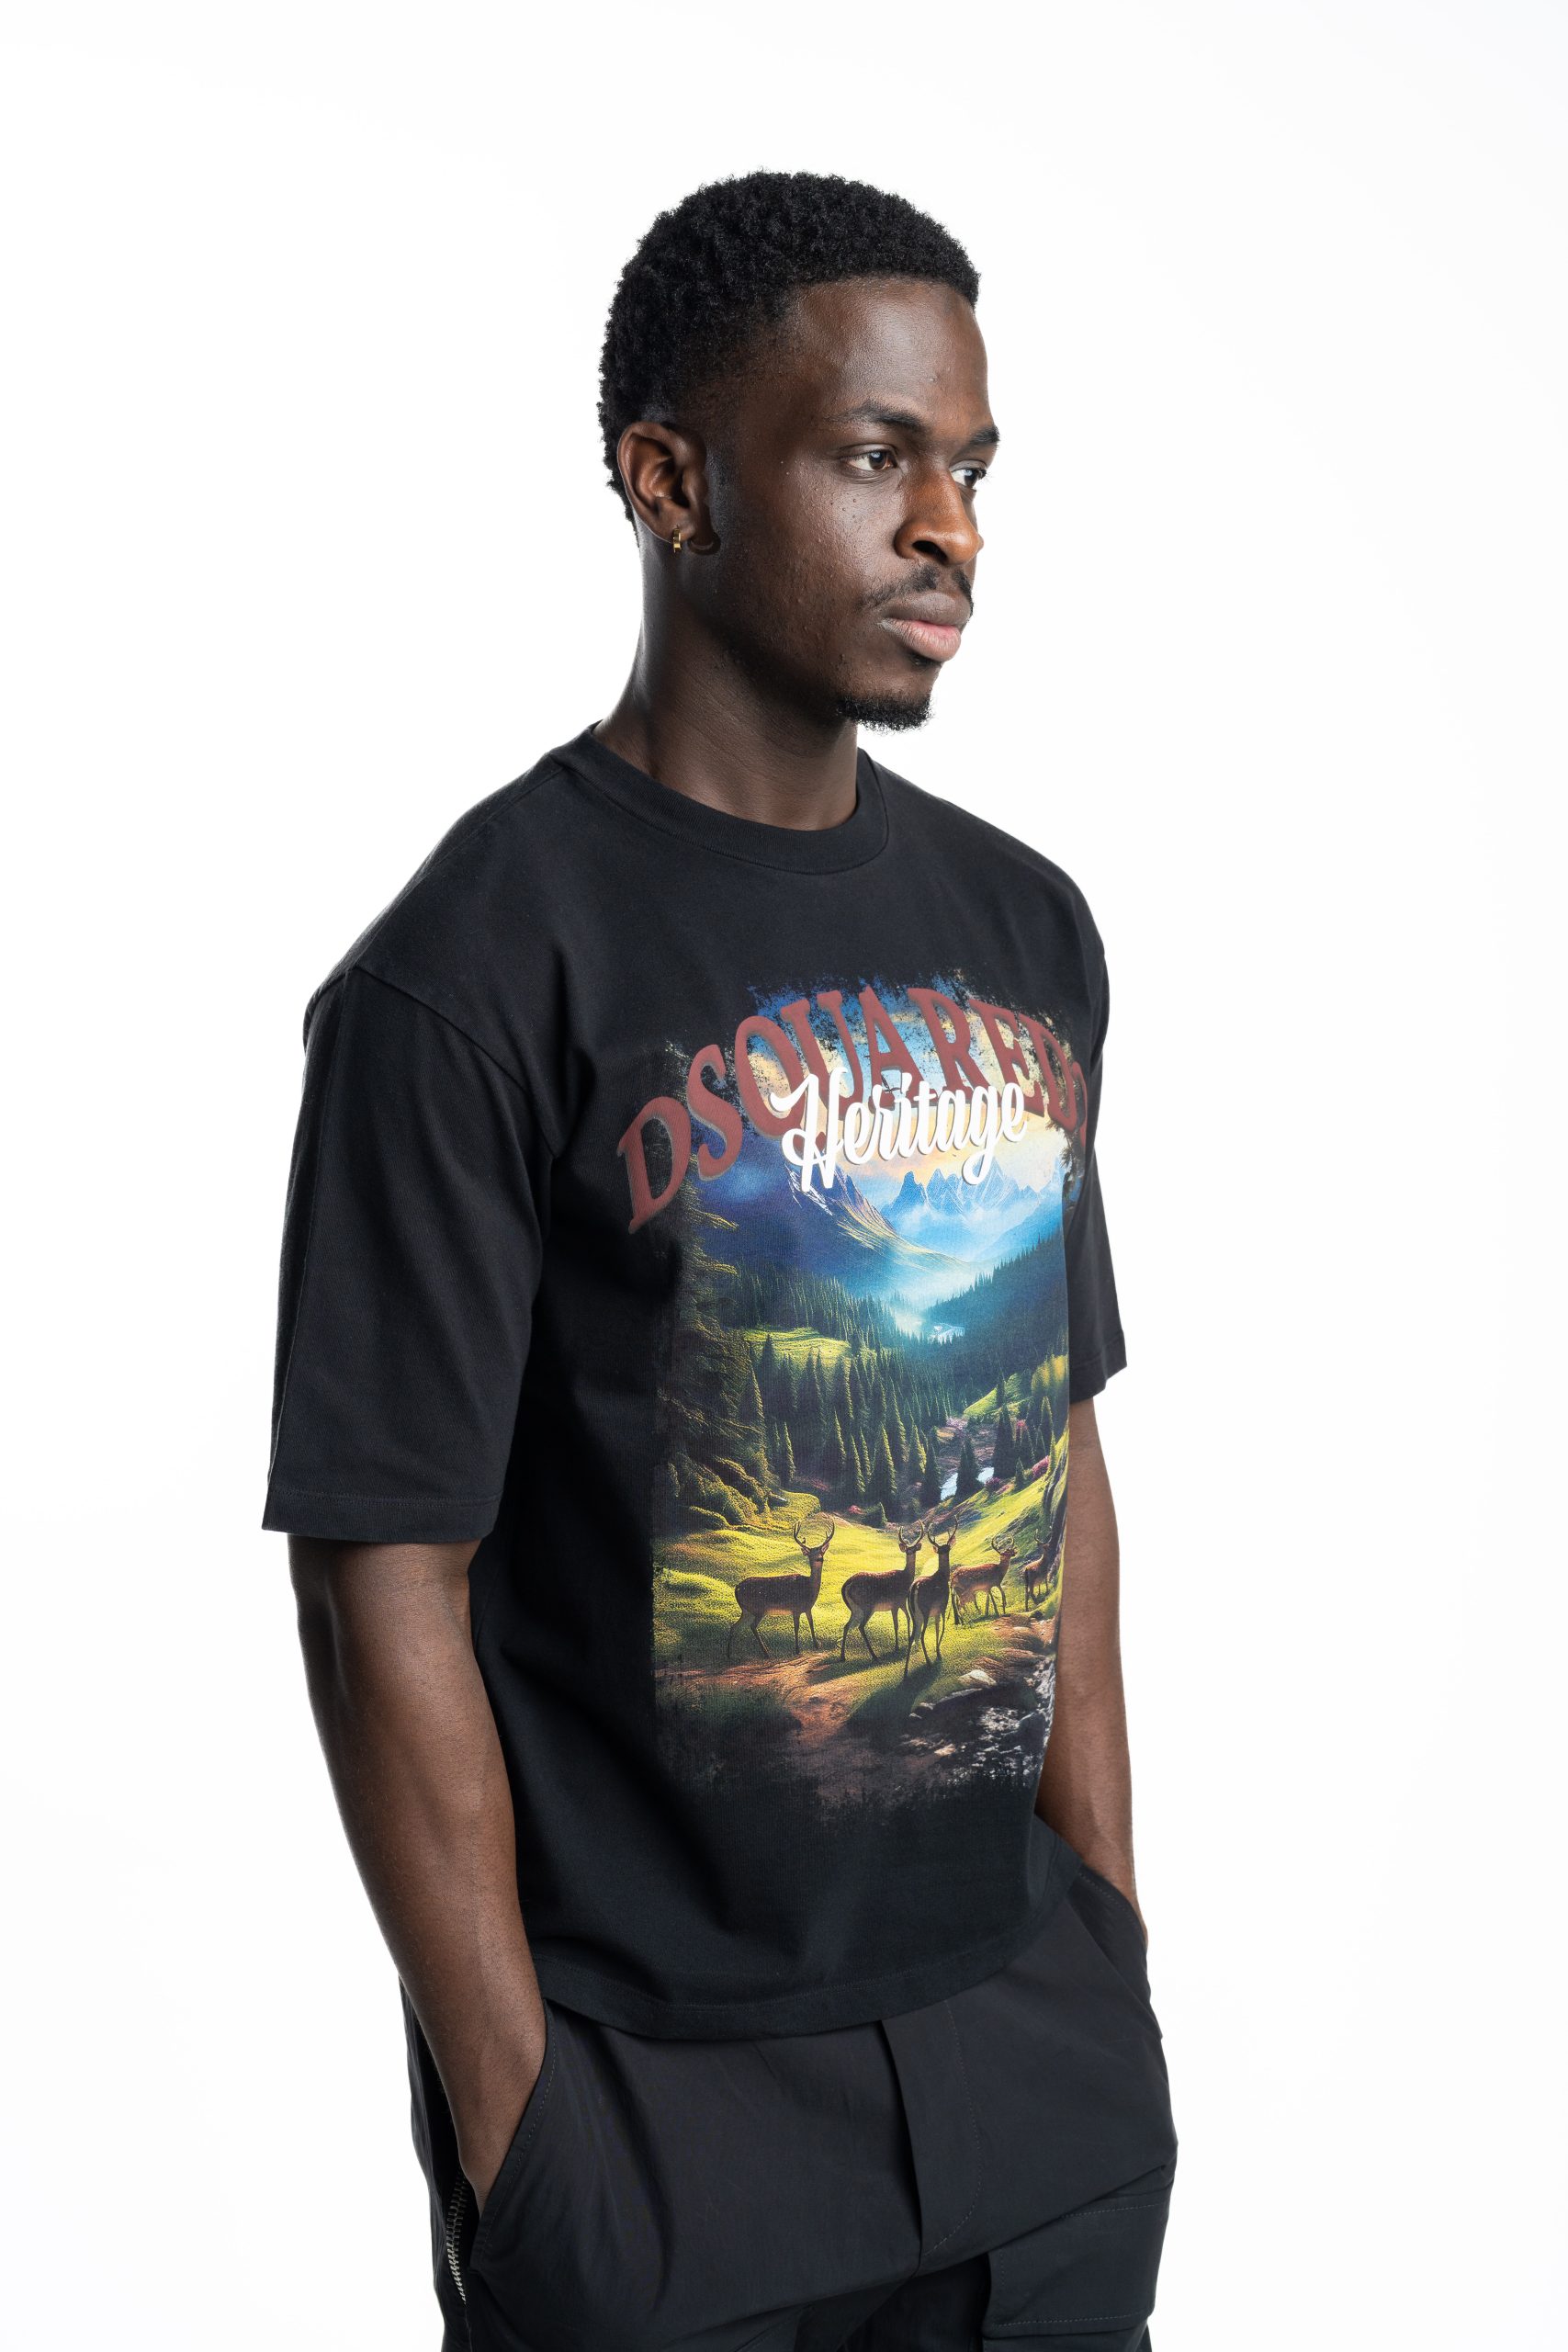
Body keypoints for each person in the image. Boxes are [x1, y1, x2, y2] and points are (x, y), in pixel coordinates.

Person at [265, 171, 1177, 2352]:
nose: (946, 529)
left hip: (1030, 2082)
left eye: (968, 469)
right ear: (668, 480)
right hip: (657, 2127)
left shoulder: (1023, 926)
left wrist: (1108, 1947)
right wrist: (520, 2125)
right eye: (875, 455)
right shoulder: (469, 973)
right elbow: (382, 1576)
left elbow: (1054, 1451)